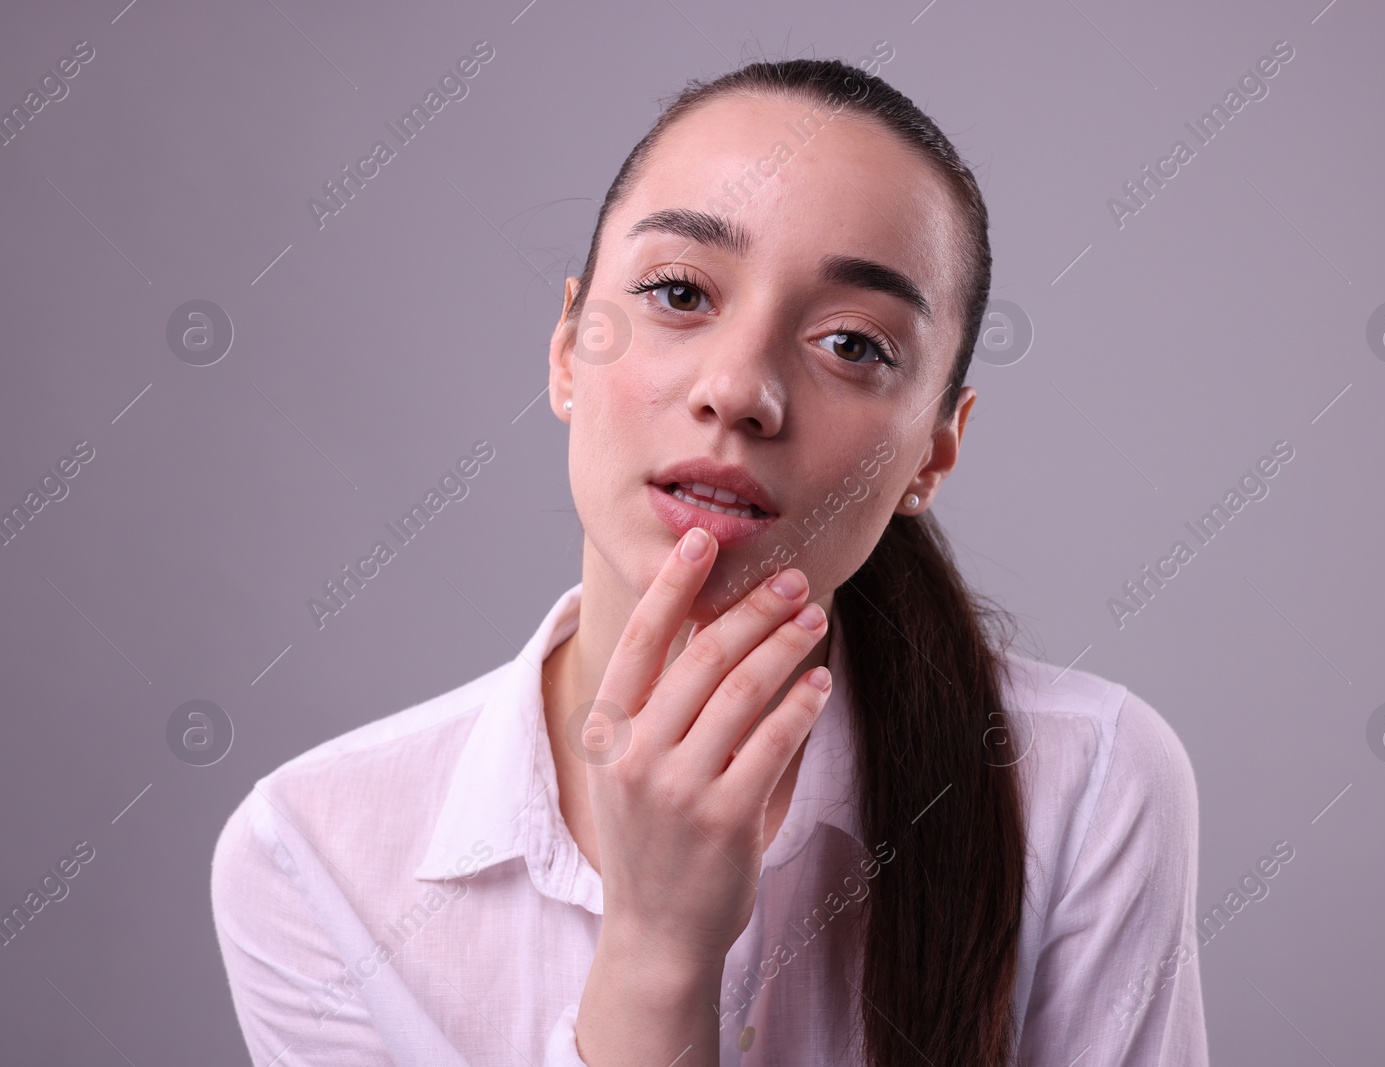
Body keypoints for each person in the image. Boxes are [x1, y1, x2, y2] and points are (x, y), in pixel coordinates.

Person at [210, 57, 1207, 1066]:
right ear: (567, 348)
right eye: (680, 290)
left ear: (932, 453)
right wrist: (654, 957)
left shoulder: (1083, 785)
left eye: (853, 344)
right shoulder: (311, 851)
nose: (737, 389)